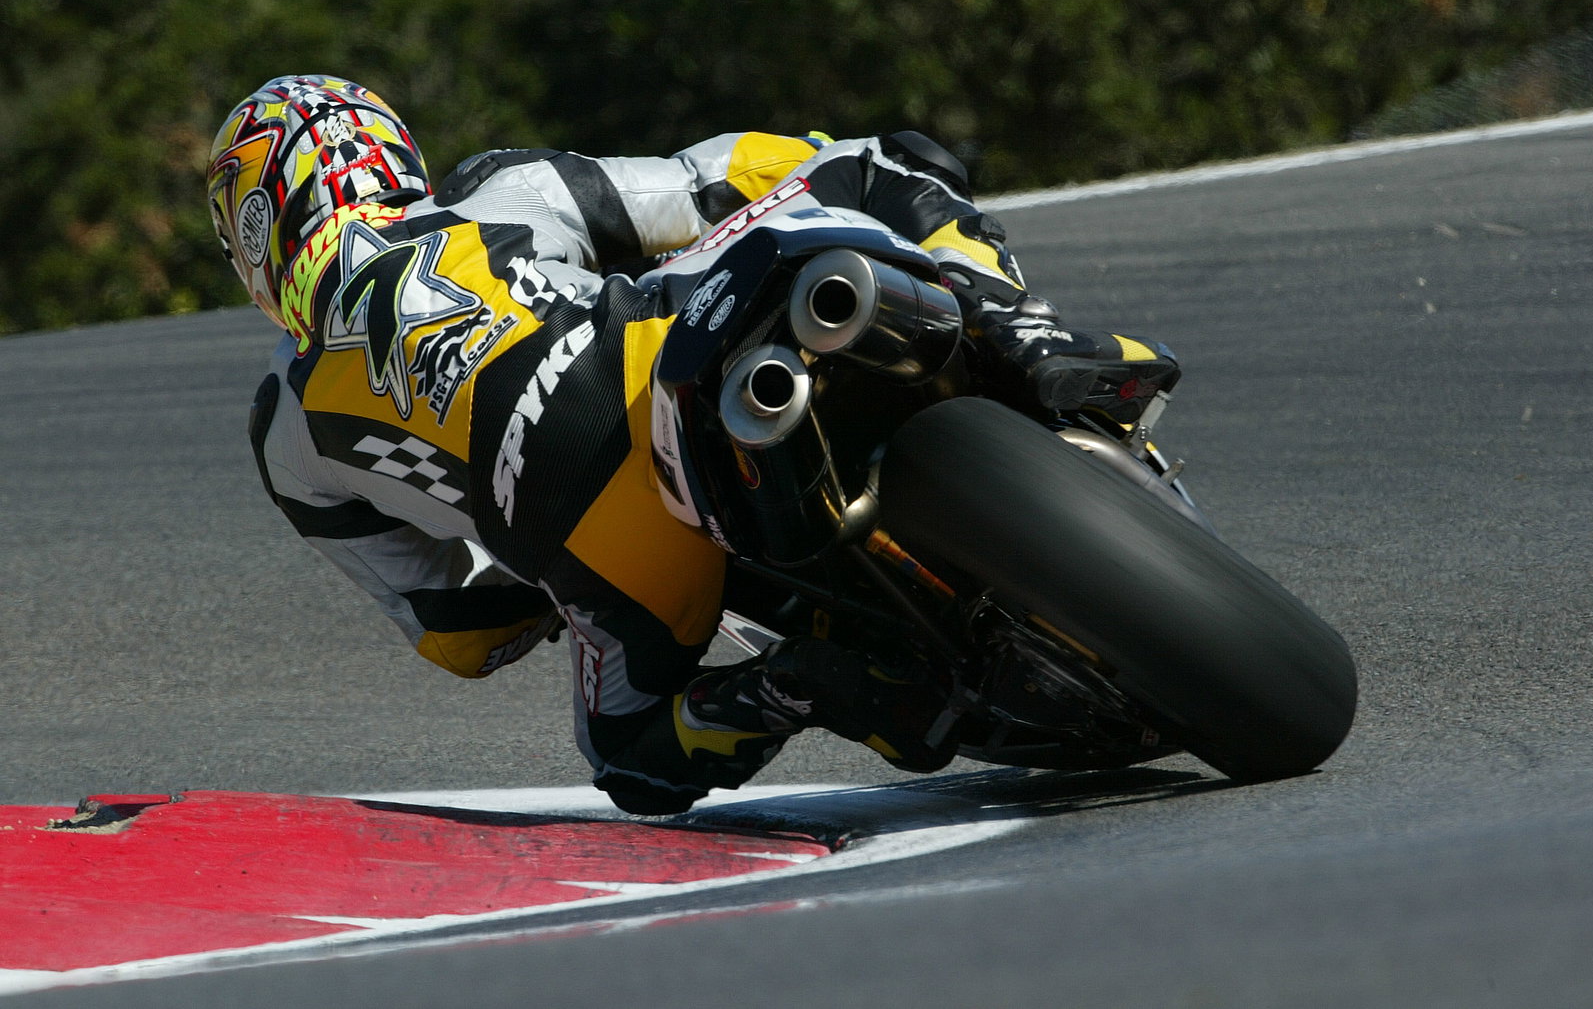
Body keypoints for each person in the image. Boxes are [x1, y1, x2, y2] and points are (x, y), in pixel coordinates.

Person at [207, 74, 1179, 815]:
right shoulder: (496, 190)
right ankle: (1022, 332)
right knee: (873, 162)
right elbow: (694, 187)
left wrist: (530, 564)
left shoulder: (287, 427)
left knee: (628, 760)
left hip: (604, 551)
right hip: (658, 366)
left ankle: (791, 684)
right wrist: (790, 182)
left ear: (258, 228)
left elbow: (459, 631)